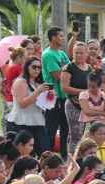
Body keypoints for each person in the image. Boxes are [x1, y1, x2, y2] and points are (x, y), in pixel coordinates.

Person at [7, 57, 50, 155]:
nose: (37, 70)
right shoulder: (20, 82)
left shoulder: (38, 83)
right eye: (34, 67)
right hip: (21, 122)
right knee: (20, 154)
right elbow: (22, 104)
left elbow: (43, 105)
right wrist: (38, 91)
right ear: (27, 67)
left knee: (43, 152)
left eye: (39, 68)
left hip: (38, 122)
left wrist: (49, 97)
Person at [42, 27, 71, 157]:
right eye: (60, 36)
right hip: (53, 96)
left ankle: (64, 155)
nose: (62, 38)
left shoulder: (62, 53)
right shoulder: (48, 54)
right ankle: (47, 155)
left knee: (66, 128)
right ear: (53, 38)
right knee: (51, 128)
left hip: (64, 96)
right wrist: (69, 75)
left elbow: (70, 71)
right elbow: (57, 75)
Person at [61, 41, 92, 154]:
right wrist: (83, 92)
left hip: (86, 105)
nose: (79, 55)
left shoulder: (89, 68)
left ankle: (81, 156)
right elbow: (65, 87)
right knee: (75, 134)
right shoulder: (68, 68)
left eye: (81, 53)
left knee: (85, 133)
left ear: (86, 54)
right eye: (76, 53)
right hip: (73, 104)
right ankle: (72, 160)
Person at [1, 47, 26, 134]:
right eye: (24, 57)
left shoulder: (11, 67)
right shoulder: (17, 68)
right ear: (19, 57)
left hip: (10, 97)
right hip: (14, 98)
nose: (25, 59)